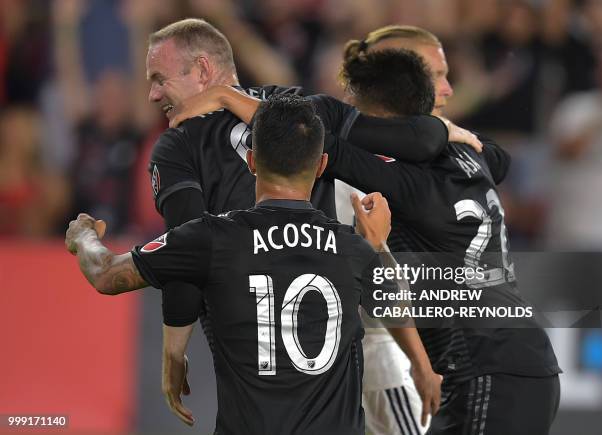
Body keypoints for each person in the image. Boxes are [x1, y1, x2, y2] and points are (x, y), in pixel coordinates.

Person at [175, 34, 562, 435]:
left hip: (485, 366)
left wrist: (227, 98)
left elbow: (311, 142)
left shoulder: (413, 179)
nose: (355, 122)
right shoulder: (466, 152)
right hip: (507, 360)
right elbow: (489, 157)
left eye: (359, 115)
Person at [65, 94, 434, 434]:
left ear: (252, 161)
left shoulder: (211, 238)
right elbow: (394, 302)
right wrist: (377, 242)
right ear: (321, 165)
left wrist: (83, 235)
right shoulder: (353, 249)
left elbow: (106, 274)